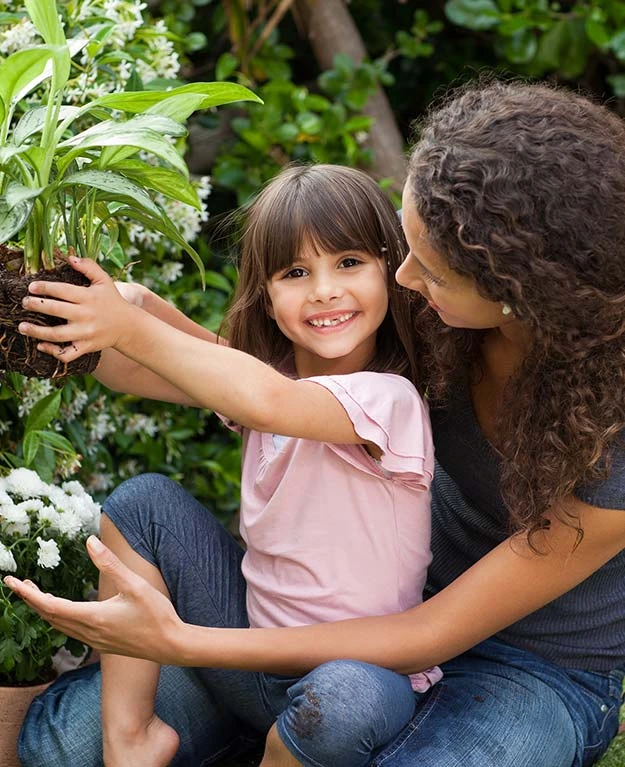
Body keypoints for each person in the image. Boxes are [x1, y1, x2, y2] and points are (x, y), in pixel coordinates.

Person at [7, 79, 625, 767]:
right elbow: (247, 382)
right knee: (61, 744)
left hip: (523, 664)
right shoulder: (426, 310)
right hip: (342, 627)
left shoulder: (611, 436)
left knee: (358, 715)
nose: (406, 278)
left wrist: (180, 641)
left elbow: (423, 633)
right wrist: (107, 319)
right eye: (406, 243)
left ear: (518, 290)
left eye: (433, 269)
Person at [8, 163, 440, 767]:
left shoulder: (389, 401)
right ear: (265, 294)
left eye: (348, 263)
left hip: (352, 671)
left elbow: (266, 399)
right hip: (242, 646)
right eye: (295, 272)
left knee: (345, 703)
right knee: (142, 505)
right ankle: (130, 742)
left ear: (391, 272)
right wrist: (106, 309)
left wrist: (131, 323)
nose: (324, 290)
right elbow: (135, 363)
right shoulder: (261, 384)